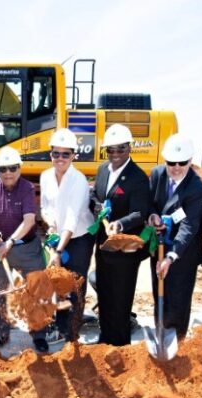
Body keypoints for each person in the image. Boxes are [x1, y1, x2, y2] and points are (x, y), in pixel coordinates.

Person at [0, 147, 49, 352]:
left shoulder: (27, 188)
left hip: (26, 249)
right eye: (3, 169)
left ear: (19, 168)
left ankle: (38, 334)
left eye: (12, 168)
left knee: (36, 291)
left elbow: (29, 220)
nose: (8, 173)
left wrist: (9, 242)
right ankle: (0, 333)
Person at [91, 124, 150, 346]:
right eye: (111, 150)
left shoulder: (137, 177)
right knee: (105, 293)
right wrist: (95, 205)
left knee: (121, 296)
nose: (115, 154)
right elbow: (96, 196)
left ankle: (119, 342)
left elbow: (139, 212)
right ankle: (105, 336)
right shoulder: (103, 170)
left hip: (124, 249)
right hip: (104, 246)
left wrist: (120, 224)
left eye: (120, 149)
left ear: (129, 148)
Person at [147, 134, 202, 339]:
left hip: (183, 252)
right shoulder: (157, 175)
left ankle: (177, 339)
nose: (176, 167)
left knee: (178, 297)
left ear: (191, 161)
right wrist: (152, 215)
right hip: (159, 246)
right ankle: (160, 333)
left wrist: (171, 257)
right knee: (160, 292)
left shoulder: (197, 187)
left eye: (182, 163)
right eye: (171, 163)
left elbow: (189, 226)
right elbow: (149, 203)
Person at [40, 128, 95, 342]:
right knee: (57, 284)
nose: (60, 158)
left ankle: (71, 332)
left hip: (79, 238)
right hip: (58, 236)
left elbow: (72, 219)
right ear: (51, 154)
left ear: (73, 155)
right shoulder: (45, 177)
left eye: (65, 154)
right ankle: (59, 326)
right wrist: (50, 224)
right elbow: (45, 207)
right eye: (56, 153)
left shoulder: (78, 180)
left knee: (74, 283)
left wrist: (58, 251)